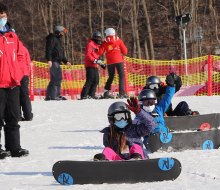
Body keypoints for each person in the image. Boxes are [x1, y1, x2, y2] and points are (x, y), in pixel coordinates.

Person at [0, 3, 29, 159]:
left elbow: (21, 55)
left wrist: (19, 73)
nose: (1, 19)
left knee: (13, 116)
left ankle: (14, 147)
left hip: (13, 83)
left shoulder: (13, 36)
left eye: (3, 16)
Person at [133, 73, 179, 150]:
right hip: (150, 139)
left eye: (151, 102)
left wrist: (171, 86)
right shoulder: (140, 113)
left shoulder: (159, 108)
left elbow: (167, 97)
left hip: (164, 136)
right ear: (141, 103)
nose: (149, 104)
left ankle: (173, 141)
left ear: (155, 101)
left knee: (165, 133)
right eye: (146, 102)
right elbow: (134, 129)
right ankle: (158, 144)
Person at [97, 28, 128, 99]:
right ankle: (122, 93)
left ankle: (106, 91)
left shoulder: (105, 42)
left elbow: (99, 52)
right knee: (121, 76)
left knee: (111, 77)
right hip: (119, 60)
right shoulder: (118, 40)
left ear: (107, 34)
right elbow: (125, 51)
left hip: (110, 62)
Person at [45, 25, 71, 101]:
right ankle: (54, 96)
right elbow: (49, 49)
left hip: (57, 61)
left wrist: (66, 61)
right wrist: (49, 59)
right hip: (53, 61)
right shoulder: (52, 38)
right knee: (56, 78)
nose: (63, 34)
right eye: (62, 32)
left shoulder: (57, 40)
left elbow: (60, 54)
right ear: (58, 32)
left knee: (56, 79)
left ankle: (50, 96)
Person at [80, 31, 106, 99]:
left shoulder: (96, 45)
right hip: (89, 65)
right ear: (95, 38)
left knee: (96, 80)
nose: (99, 40)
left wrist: (100, 63)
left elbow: (98, 54)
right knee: (90, 80)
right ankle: (84, 95)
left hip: (94, 65)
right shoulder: (90, 44)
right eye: (98, 38)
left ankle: (91, 95)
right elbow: (88, 55)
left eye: (100, 38)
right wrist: (95, 60)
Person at [19, 44, 33, 121]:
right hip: (24, 73)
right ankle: (28, 115)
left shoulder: (8, 46)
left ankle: (17, 115)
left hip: (14, 74)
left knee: (15, 95)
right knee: (24, 95)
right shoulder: (24, 48)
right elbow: (28, 61)